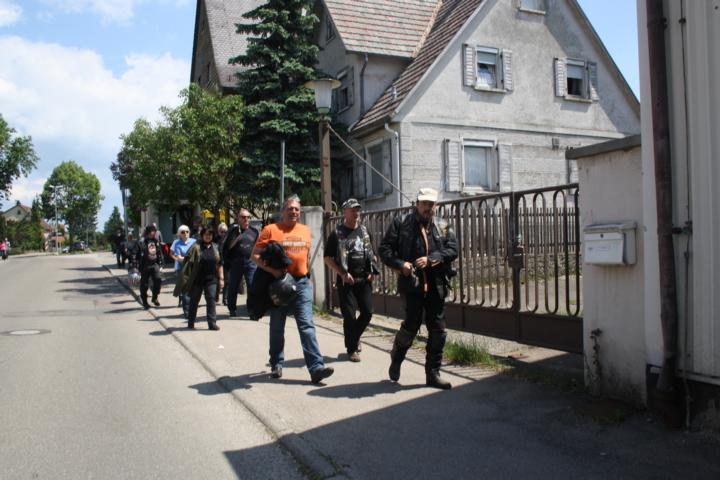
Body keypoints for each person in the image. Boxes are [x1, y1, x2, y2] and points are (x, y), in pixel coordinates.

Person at [379, 188, 458, 390]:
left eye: (431, 204)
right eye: (424, 203)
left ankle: (433, 374)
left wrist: (432, 259)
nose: (427, 207)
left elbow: (453, 249)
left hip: (437, 285)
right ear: (417, 204)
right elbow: (384, 249)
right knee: (411, 326)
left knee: (438, 330)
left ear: (436, 206)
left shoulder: (443, 225)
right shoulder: (401, 223)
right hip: (412, 284)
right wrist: (401, 264)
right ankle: (397, 358)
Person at [251, 196, 334, 384]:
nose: (294, 212)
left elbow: (306, 256)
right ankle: (276, 363)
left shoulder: (305, 230)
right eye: (290, 208)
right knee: (277, 326)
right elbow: (254, 256)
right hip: (279, 284)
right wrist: (273, 271)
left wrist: (306, 276)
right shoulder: (271, 229)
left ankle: (316, 368)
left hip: (301, 284)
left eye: (297, 209)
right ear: (283, 211)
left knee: (307, 326)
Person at [324, 198, 379, 362]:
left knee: (367, 313)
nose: (356, 213)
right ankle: (352, 349)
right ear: (345, 212)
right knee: (349, 316)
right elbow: (327, 258)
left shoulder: (364, 231)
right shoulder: (337, 233)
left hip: (364, 280)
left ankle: (354, 337)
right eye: (353, 210)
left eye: (358, 210)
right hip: (346, 281)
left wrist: (372, 271)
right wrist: (342, 273)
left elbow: (372, 254)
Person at [184, 226, 223, 330]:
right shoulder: (196, 247)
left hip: (211, 279)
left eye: (210, 234)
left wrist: (221, 278)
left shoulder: (216, 247)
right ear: (202, 235)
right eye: (206, 234)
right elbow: (188, 262)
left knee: (211, 300)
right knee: (194, 301)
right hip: (197, 279)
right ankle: (191, 322)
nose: (208, 236)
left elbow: (219, 264)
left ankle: (212, 323)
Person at [224, 209, 259, 317]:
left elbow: (257, 246)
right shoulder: (233, 231)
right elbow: (228, 247)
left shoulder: (254, 231)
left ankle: (251, 310)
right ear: (239, 219)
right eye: (243, 217)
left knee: (252, 286)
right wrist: (237, 238)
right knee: (233, 287)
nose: (246, 219)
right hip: (236, 262)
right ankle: (232, 309)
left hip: (250, 263)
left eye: (248, 217)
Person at [170, 225, 196, 318]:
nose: (185, 233)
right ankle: (187, 311)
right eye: (183, 232)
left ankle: (191, 308)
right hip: (182, 269)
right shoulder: (177, 243)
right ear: (179, 234)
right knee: (185, 290)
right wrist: (187, 259)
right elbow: (178, 257)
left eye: (187, 231)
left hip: (193, 269)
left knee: (193, 290)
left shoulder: (194, 242)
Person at [137, 224, 164, 309]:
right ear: (148, 232)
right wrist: (135, 266)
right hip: (145, 265)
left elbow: (159, 252)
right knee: (144, 285)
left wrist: (161, 263)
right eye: (153, 231)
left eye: (155, 231)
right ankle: (144, 301)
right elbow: (137, 254)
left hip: (154, 264)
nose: (154, 233)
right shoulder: (142, 241)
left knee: (158, 280)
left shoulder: (155, 241)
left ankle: (154, 297)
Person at [215, 222, 228, 304]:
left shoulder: (228, 239)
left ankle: (225, 299)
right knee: (217, 280)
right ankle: (216, 296)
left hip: (226, 262)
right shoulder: (215, 239)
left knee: (227, 281)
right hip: (217, 262)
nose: (223, 233)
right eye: (221, 231)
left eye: (225, 231)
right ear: (218, 231)